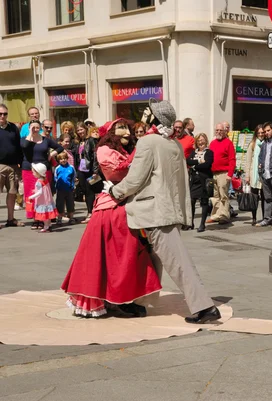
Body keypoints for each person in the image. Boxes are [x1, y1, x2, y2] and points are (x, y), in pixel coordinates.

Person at [106, 98, 221, 324]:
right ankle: (138, 304)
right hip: (167, 209)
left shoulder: (148, 143)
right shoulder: (174, 144)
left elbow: (136, 179)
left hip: (153, 211)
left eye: (148, 112)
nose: (144, 114)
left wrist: (114, 192)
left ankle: (205, 306)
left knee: (178, 262)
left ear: (154, 118)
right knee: (152, 261)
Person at [62, 118, 162, 318]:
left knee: (131, 255)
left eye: (127, 128)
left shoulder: (126, 149)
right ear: (110, 133)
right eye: (121, 128)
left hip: (127, 206)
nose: (126, 132)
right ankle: (116, 299)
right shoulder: (105, 151)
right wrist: (142, 146)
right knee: (115, 256)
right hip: (110, 209)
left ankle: (126, 297)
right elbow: (120, 169)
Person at [21, 120, 63, 228]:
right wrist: (30, 134)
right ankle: (35, 219)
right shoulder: (24, 139)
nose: (35, 129)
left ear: (40, 128)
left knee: (43, 196)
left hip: (44, 171)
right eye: (32, 127)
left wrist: (51, 154)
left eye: (37, 127)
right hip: (29, 170)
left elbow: (60, 147)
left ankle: (43, 218)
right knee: (31, 194)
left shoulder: (46, 140)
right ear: (29, 128)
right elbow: (25, 147)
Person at [0, 103, 25, 228]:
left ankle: (11, 219)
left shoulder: (13, 128)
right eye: (0, 114)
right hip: (0, 165)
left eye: (5, 114)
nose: (3, 116)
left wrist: (21, 163)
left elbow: (18, 146)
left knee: (12, 193)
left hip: (14, 165)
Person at [207, 123, 236, 225]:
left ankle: (224, 216)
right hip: (214, 173)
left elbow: (232, 160)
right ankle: (216, 215)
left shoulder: (228, 143)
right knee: (215, 196)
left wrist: (230, 174)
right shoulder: (212, 143)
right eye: (217, 130)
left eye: (221, 130)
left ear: (224, 132)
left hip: (224, 173)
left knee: (223, 195)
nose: (218, 132)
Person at [187, 133, 213, 232]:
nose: (200, 142)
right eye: (198, 141)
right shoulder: (194, 152)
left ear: (206, 141)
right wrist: (199, 161)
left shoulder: (209, 152)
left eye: (202, 140)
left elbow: (207, 165)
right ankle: (191, 223)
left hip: (204, 180)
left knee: (204, 201)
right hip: (194, 180)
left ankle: (202, 224)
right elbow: (188, 161)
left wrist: (195, 165)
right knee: (192, 201)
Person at [78, 126, 102, 224]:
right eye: (78, 130)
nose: (80, 132)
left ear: (86, 130)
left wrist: (95, 171)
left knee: (90, 191)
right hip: (81, 169)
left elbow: (96, 155)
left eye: (81, 129)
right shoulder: (78, 142)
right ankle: (90, 212)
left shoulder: (91, 140)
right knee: (85, 191)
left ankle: (90, 213)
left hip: (90, 169)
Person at [244, 124, 265, 225]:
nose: (261, 135)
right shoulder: (252, 144)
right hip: (254, 175)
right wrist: (247, 175)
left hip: (264, 175)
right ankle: (254, 217)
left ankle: (266, 217)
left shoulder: (267, 143)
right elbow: (248, 161)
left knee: (265, 197)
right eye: (259, 133)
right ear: (256, 133)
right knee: (254, 198)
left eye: (262, 133)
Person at [28, 163, 58, 233]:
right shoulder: (45, 179)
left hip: (42, 201)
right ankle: (49, 225)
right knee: (47, 214)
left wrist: (31, 197)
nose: (33, 174)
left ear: (39, 173)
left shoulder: (39, 182)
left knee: (44, 216)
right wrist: (35, 190)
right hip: (47, 200)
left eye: (34, 172)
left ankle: (46, 226)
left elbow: (40, 192)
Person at [54, 152, 77, 225]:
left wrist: (73, 185)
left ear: (67, 159)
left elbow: (74, 177)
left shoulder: (71, 167)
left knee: (70, 204)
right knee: (60, 204)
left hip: (69, 189)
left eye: (64, 158)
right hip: (60, 189)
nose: (63, 160)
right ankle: (59, 218)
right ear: (58, 160)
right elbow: (55, 178)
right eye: (61, 159)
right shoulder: (57, 168)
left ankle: (71, 218)